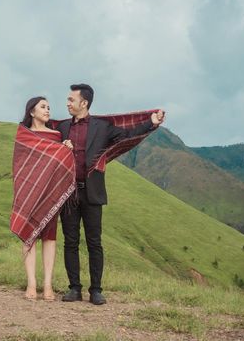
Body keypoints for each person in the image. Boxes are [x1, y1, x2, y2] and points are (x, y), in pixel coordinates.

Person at [57, 84, 165, 305]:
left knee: (94, 242)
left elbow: (128, 134)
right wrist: (61, 146)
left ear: (84, 103)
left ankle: (96, 290)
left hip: (92, 193)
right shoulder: (62, 127)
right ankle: (74, 289)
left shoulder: (102, 127)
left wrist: (151, 123)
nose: (67, 103)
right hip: (68, 193)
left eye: (71, 100)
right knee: (70, 242)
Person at [12, 96, 75, 301]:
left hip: (49, 193)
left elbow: (58, 161)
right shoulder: (23, 135)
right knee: (28, 234)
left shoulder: (56, 135)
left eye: (49, 107)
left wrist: (66, 147)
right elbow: (21, 165)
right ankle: (31, 283)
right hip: (28, 190)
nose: (47, 110)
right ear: (32, 111)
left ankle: (47, 285)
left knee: (50, 237)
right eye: (43, 107)